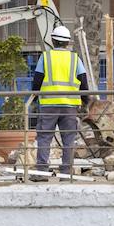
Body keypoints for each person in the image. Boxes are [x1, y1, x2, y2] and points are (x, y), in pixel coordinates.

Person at [31, 25, 88, 178]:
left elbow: (37, 81)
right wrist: (86, 102)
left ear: (52, 40)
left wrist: (34, 98)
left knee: (44, 138)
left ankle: (41, 173)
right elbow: (84, 82)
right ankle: (66, 172)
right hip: (70, 106)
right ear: (68, 42)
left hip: (48, 105)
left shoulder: (46, 56)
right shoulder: (75, 59)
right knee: (69, 140)